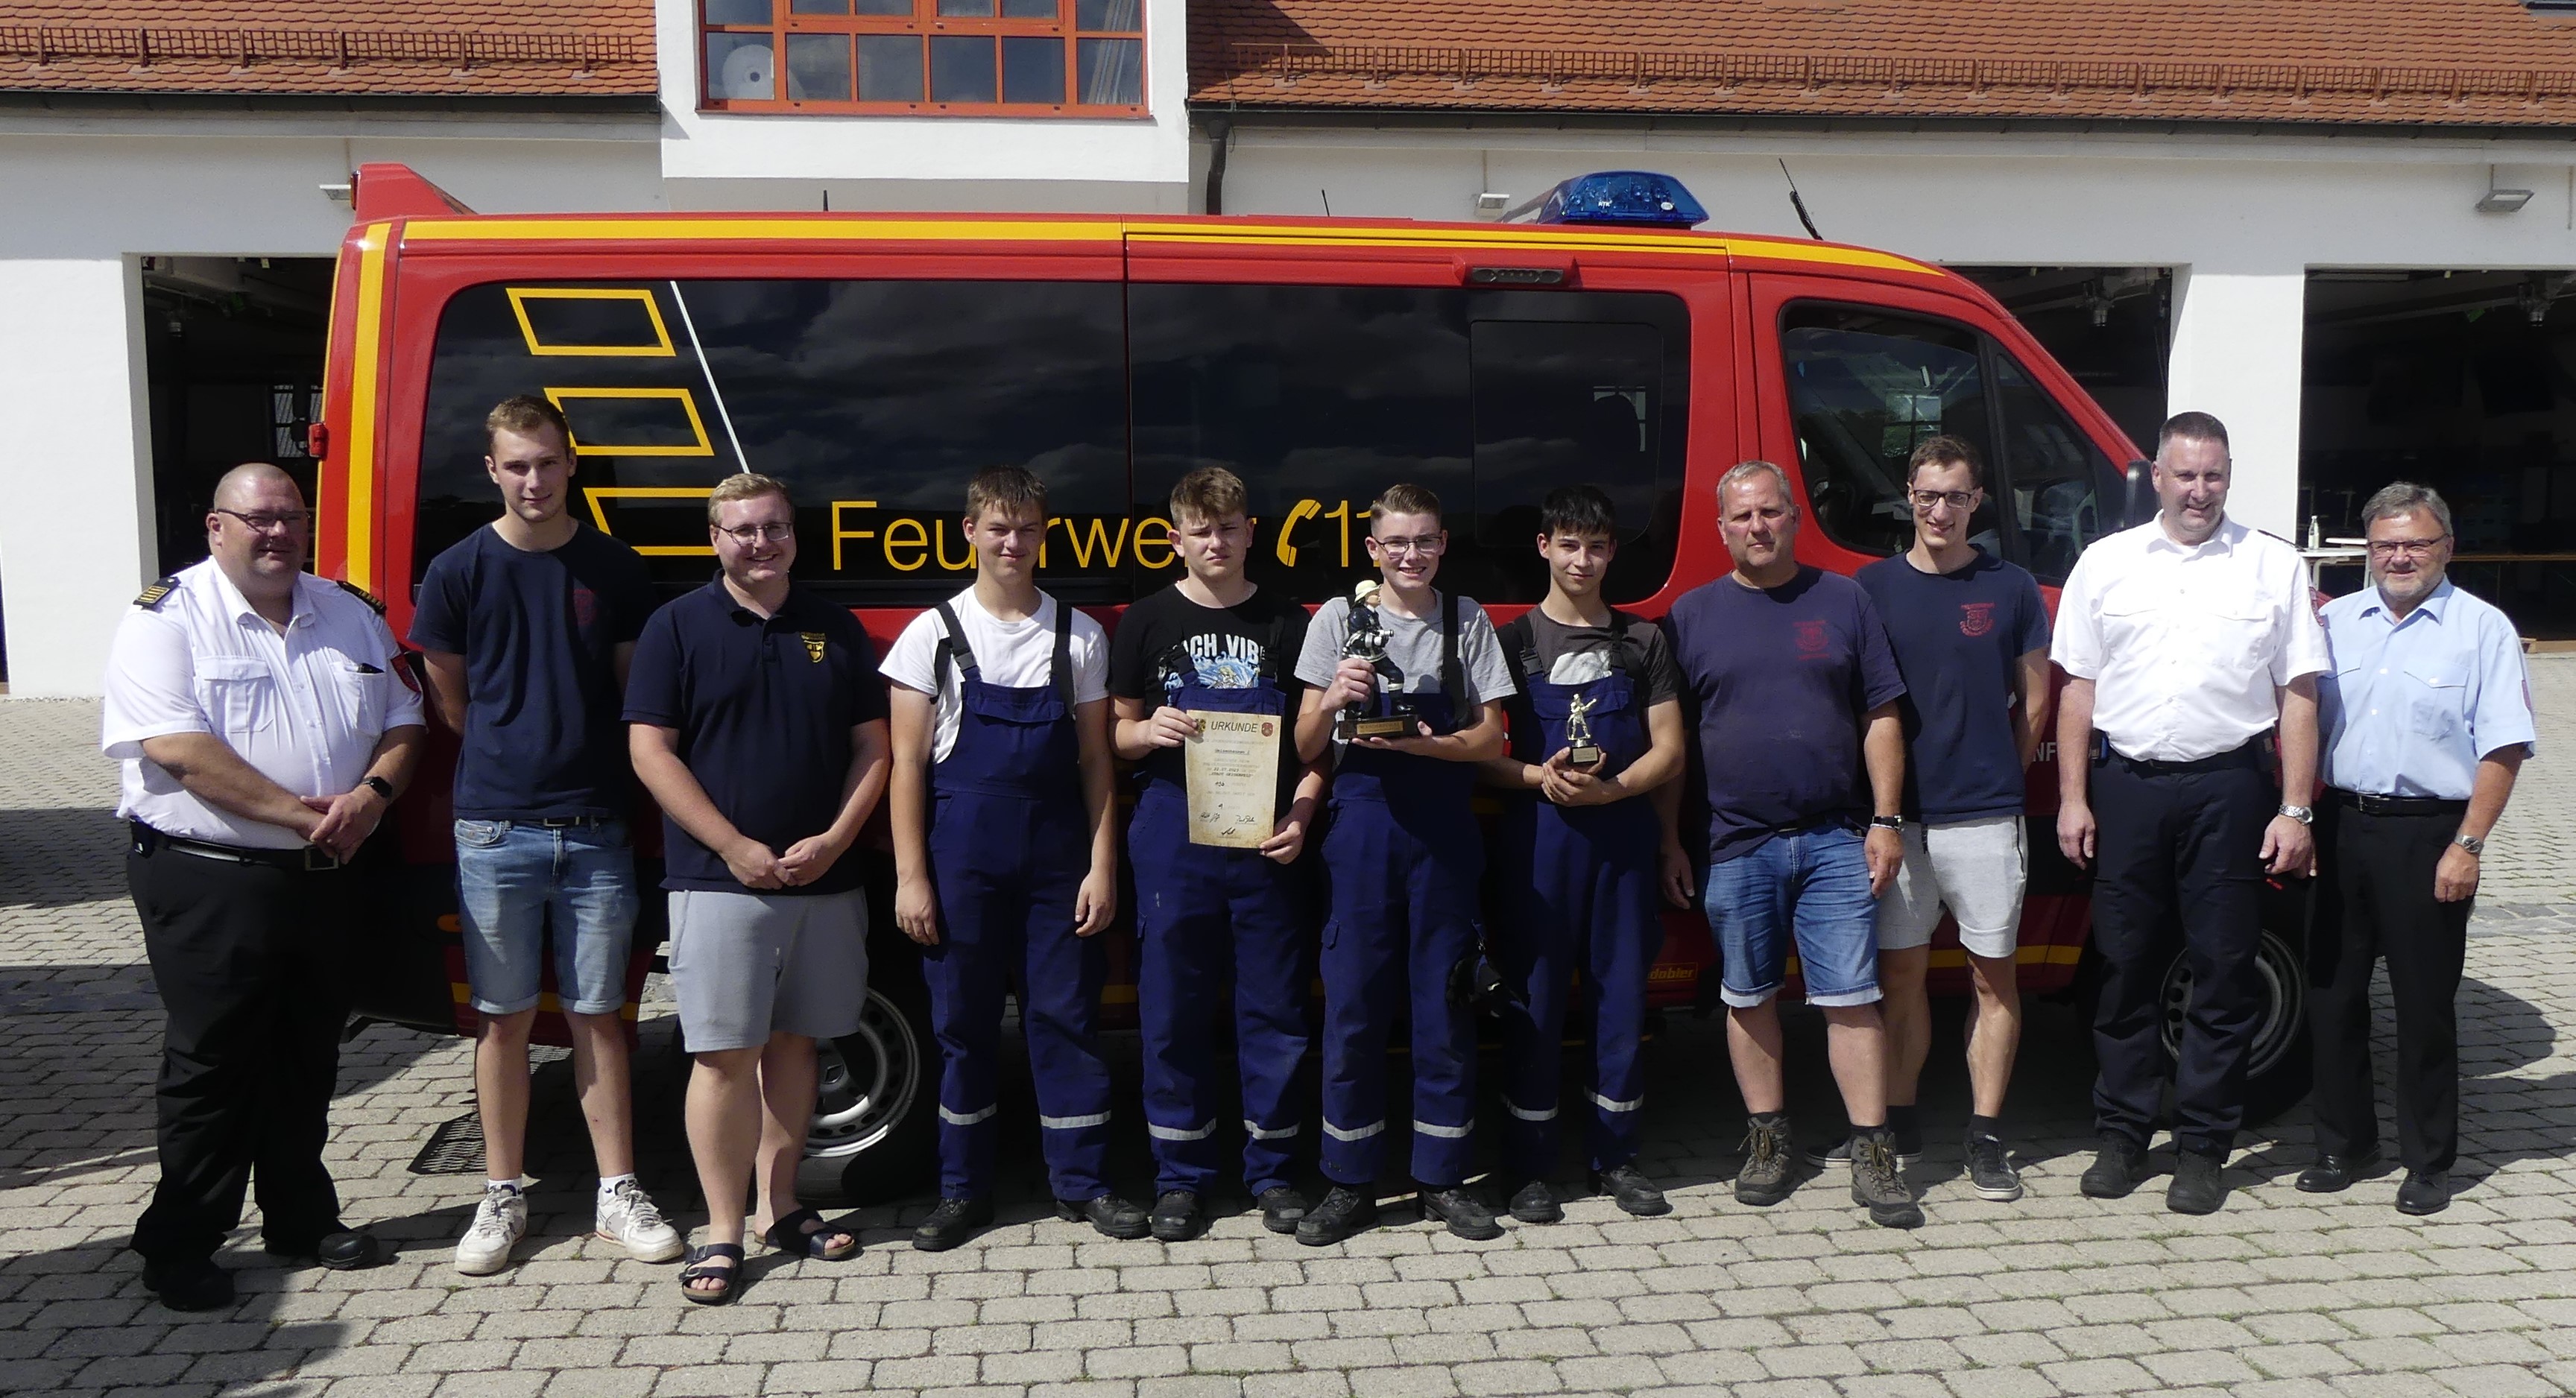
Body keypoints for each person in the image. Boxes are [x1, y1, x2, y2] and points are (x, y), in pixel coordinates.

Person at [102, 463, 426, 1310]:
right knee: (214, 1062)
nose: (277, 533)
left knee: (308, 1051)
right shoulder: (166, 620)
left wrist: (372, 796)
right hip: (212, 879)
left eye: (290, 517)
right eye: (258, 519)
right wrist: (303, 813)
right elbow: (178, 749)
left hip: (327, 874)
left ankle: (298, 1217)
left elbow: (404, 720)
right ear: (217, 527)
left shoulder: (348, 613)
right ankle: (182, 1240)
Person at [411, 395, 681, 1277]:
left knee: (603, 1017)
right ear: (492, 470)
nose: (533, 478)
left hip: (597, 826)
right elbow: (451, 699)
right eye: (516, 464)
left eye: (548, 462)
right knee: (504, 1019)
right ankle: (502, 1194)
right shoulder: (456, 571)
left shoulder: (615, 568)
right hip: (492, 828)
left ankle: (618, 1192)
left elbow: (633, 693)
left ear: (572, 467)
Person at [2053, 411, 2328, 1215]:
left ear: (2228, 476)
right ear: (2157, 477)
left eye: (2213, 475)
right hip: (2128, 787)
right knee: (2126, 963)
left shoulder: (2271, 567)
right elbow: (2078, 691)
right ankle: (2124, 1133)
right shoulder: (2104, 563)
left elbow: (2299, 695)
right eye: (2185, 474)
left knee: (2225, 968)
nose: (2199, 490)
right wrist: (2073, 796)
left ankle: (2205, 1145)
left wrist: (2297, 809)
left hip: (2230, 790)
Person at [625, 473, 890, 1303]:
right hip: (718, 881)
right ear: (715, 539)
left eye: (774, 526)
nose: (760, 542)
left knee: (797, 1047)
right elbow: (650, 752)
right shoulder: (676, 628)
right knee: (723, 1056)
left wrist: (839, 838)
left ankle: (784, 1207)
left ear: (793, 535)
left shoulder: (835, 628)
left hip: (824, 879)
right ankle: (722, 1229)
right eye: (742, 530)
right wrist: (734, 845)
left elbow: (874, 748)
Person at [1657, 459, 1919, 1230]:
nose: (1758, 527)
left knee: (1851, 999)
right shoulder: (1690, 616)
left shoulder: (1844, 600)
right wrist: (1671, 838)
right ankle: (1768, 1141)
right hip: (1736, 843)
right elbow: (1674, 748)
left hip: (1837, 837)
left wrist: (1886, 819)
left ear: (1795, 518)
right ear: (1721, 529)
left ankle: (1875, 1156)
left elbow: (1881, 717)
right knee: (1748, 996)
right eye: (1742, 517)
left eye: (1771, 513)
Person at [884, 467, 1142, 1250]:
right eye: (998, 527)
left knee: (1065, 1020)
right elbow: (905, 765)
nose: (1012, 542)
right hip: (961, 858)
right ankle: (963, 1190)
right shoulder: (931, 634)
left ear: (1042, 534)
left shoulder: (1080, 634)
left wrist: (1102, 867)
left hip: (1058, 858)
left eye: (1026, 528)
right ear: (969, 532)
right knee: (962, 1028)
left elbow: (1098, 763)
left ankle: (1083, 1182)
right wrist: (911, 875)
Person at [1291, 483, 1515, 1244]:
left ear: (1443, 544)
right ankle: (1349, 1181)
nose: (1410, 554)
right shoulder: (1335, 622)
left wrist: (1420, 744)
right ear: (1373, 550)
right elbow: (1302, 746)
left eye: (1424, 540)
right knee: (1353, 1008)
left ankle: (1442, 1177)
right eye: (1396, 543)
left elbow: (1493, 739)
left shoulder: (1467, 619)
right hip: (1361, 831)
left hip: (1443, 835)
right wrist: (1331, 699)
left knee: (1444, 1006)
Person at [1111, 468, 1328, 1242]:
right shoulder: (1144, 620)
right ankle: (1181, 1176)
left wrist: (1302, 814)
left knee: (1272, 1009)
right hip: (1174, 834)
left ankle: (1271, 1172)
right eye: (1200, 530)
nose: (1215, 541)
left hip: (1266, 837)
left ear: (1250, 533)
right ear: (1175, 538)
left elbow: (1315, 745)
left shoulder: (1287, 622)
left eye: (1228, 527)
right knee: (1173, 1011)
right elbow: (1115, 732)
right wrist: (1147, 734)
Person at [2306, 483, 2534, 1216]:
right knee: (2333, 995)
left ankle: (2428, 1161)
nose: (2399, 556)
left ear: (2447, 548)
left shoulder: (2482, 629)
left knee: (2423, 1004)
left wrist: (2468, 843)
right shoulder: (2334, 622)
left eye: (2416, 543)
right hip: (2340, 824)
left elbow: (2504, 744)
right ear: (2366, 550)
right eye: (2384, 544)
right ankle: (2345, 1143)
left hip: (2429, 833)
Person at [1839, 437, 2052, 1203]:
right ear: (1908, 496)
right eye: (1926, 495)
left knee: (1993, 978)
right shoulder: (1870, 589)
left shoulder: (2013, 586)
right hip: (1900, 819)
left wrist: (2001, 770)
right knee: (1900, 978)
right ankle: (1896, 1121)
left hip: (1986, 817)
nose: (1939, 510)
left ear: (1977, 502)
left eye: (1955, 497)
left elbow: (2035, 701)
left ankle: (1987, 1136)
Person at [1477, 485, 1687, 1224]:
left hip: (1620, 840)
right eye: (1569, 544)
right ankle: (1530, 1169)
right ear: (1545, 548)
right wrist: (1540, 777)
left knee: (1621, 1000)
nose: (1584, 559)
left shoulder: (1644, 641)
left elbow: (1671, 750)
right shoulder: (1513, 643)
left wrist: (1617, 792)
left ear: (1612, 553)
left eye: (1597, 546)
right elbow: (1481, 758)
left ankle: (1616, 1158)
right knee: (1533, 1005)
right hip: (1539, 846)